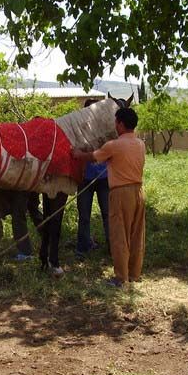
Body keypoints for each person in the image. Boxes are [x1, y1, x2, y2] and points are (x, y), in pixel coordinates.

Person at [72, 107, 146, 287]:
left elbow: (93, 157)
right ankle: (134, 274)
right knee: (136, 234)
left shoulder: (114, 145)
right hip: (139, 191)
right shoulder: (140, 144)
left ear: (120, 123)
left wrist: (77, 154)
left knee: (119, 234)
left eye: (116, 122)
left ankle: (121, 278)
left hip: (121, 192)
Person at [76, 99, 110, 259]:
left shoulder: (106, 128)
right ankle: (83, 247)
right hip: (85, 178)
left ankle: (112, 247)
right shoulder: (78, 129)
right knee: (84, 215)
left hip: (104, 178)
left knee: (108, 214)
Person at [0, 189, 43, 261]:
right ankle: (50, 241)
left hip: (22, 187)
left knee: (19, 216)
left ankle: (25, 252)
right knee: (33, 212)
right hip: (29, 184)